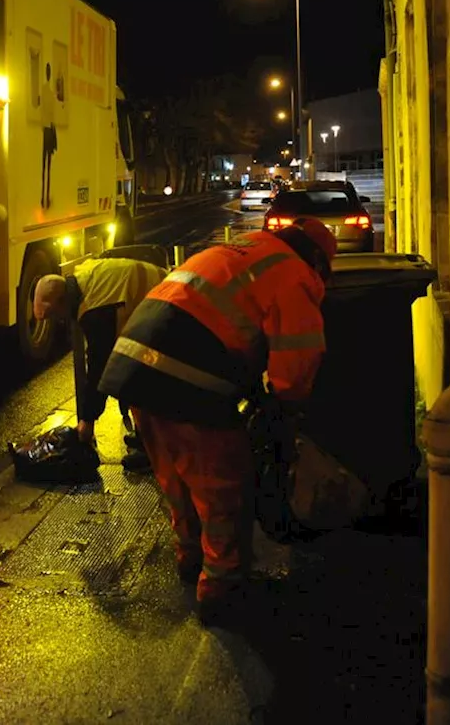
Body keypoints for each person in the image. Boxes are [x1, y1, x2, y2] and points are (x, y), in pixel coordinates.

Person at [98, 217, 337, 626]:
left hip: (134, 365)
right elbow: (297, 362)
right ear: (317, 260)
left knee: (176, 478)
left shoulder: (241, 250)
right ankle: (221, 590)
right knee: (221, 487)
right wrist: (286, 411)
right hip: (187, 376)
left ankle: (189, 558)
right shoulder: (295, 273)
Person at [33, 255, 168, 472]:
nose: (58, 319)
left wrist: (88, 420)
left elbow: (99, 367)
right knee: (129, 372)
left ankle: (153, 451)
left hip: (168, 310)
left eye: (55, 314)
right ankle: (147, 435)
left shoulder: (96, 308)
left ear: (61, 301)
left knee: (137, 378)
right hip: (162, 299)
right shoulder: (83, 277)